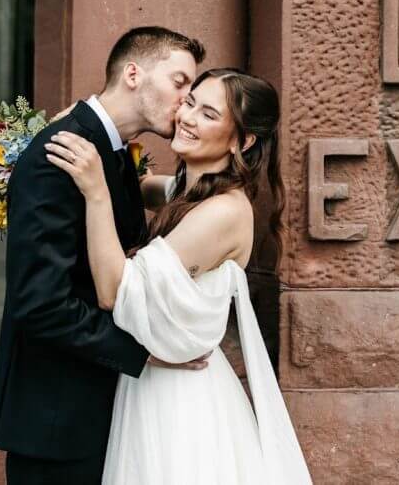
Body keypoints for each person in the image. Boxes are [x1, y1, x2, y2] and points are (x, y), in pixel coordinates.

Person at [44, 67, 312, 484]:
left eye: (208, 113)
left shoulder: (222, 213)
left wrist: (96, 192)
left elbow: (115, 292)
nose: (187, 117)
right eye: (189, 102)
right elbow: (143, 187)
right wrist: (89, 126)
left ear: (243, 140)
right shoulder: (189, 193)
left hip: (180, 404)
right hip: (156, 383)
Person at [0, 26, 208, 483]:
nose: (186, 100)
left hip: (91, 415)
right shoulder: (63, 152)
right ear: (133, 73)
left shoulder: (111, 151)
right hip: (57, 425)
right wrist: (144, 351)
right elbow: (40, 303)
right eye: (180, 82)